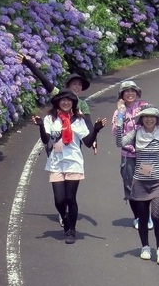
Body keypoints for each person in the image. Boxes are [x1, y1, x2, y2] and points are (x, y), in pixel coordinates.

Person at [17, 53, 96, 227]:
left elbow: (88, 124)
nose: (77, 87)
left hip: (73, 144)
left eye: (79, 85)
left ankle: (69, 207)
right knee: (59, 180)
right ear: (67, 85)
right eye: (74, 84)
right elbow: (44, 80)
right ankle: (63, 210)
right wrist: (27, 62)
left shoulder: (81, 105)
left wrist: (94, 139)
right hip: (55, 143)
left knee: (70, 185)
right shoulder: (60, 96)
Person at [32, 89, 106, 244]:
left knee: (70, 198)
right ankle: (66, 221)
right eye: (63, 100)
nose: (66, 103)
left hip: (73, 162)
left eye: (69, 100)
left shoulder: (79, 120)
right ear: (58, 102)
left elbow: (86, 142)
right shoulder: (50, 119)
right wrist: (40, 126)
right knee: (59, 200)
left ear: (73, 103)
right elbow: (46, 140)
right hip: (56, 162)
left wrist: (96, 130)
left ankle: (71, 230)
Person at [115, 105, 159, 264]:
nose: (149, 119)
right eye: (146, 116)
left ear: (157, 119)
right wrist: (120, 119)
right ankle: (145, 247)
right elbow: (119, 142)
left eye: (152, 116)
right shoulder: (136, 133)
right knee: (143, 218)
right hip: (140, 182)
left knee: (156, 216)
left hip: (158, 182)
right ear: (141, 119)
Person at [110, 80, 150, 230]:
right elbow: (115, 132)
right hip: (127, 156)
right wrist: (121, 112)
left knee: (146, 185)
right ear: (121, 95)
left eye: (133, 90)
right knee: (130, 187)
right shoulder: (119, 112)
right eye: (126, 91)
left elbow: (156, 125)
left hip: (144, 155)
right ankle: (138, 217)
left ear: (137, 93)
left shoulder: (145, 107)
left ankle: (147, 215)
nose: (130, 93)